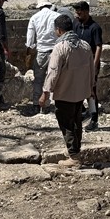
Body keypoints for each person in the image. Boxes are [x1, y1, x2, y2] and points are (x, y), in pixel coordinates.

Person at [39, 14, 95, 165]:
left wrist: (45, 93)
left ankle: (74, 156)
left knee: (66, 123)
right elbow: (91, 70)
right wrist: (90, 89)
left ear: (58, 30)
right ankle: (75, 149)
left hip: (64, 93)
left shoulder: (60, 47)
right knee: (77, 122)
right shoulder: (85, 45)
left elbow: (53, 72)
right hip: (80, 93)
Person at [25, 0, 63, 109]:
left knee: (39, 79)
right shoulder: (57, 16)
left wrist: (30, 50)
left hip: (41, 52)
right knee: (56, 78)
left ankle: (37, 104)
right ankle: (57, 104)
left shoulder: (34, 18)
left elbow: (30, 40)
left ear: (39, 7)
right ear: (49, 5)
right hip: (56, 51)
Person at [71, 1, 103, 130]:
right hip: (77, 64)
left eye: (80, 13)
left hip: (90, 64)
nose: (77, 15)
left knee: (91, 91)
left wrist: (94, 66)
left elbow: (98, 47)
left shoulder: (95, 28)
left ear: (86, 12)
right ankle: (82, 112)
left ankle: (94, 119)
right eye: (76, 13)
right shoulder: (76, 24)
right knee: (75, 88)